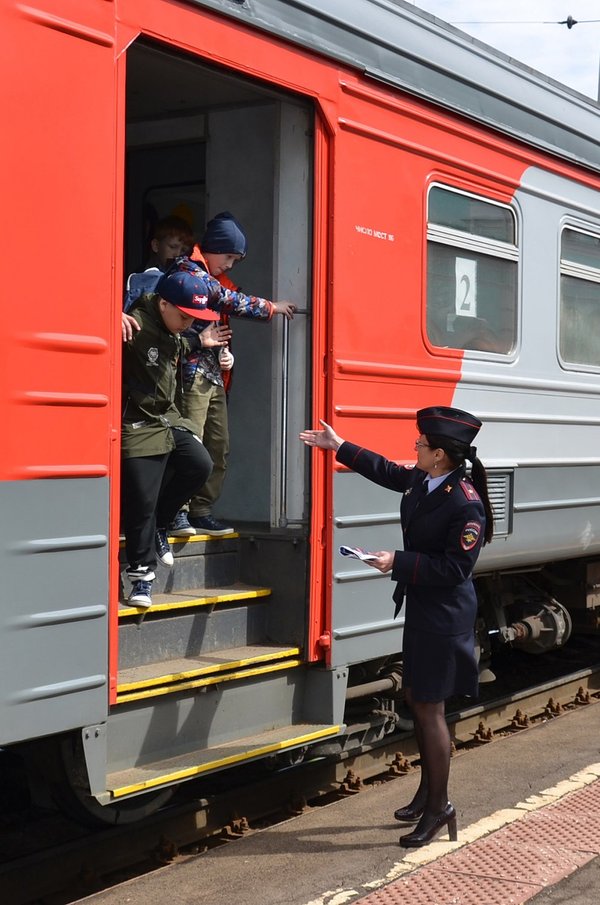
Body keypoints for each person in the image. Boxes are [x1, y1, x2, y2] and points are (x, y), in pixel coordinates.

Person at [299, 406, 494, 847]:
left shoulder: (464, 503)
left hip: (444, 617)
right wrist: (338, 446)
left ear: (439, 454)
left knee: (428, 706)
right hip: (424, 608)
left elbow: (456, 569)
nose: (415, 448)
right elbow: (387, 471)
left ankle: (440, 807)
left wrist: (397, 562)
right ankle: (428, 794)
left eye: (420, 444)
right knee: (417, 698)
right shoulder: (427, 480)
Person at [169, 212, 297, 537]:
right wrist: (271, 307)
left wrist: (224, 355)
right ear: (212, 248)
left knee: (218, 446)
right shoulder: (190, 272)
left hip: (212, 375)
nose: (229, 265)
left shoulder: (208, 275)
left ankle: (200, 510)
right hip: (190, 375)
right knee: (190, 444)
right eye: (228, 257)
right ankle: (176, 511)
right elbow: (226, 300)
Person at [121, 267, 220, 609]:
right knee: (142, 499)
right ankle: (141, 576)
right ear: (163, 304)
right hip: (137, 423)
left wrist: (199, 341)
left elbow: (175, 344)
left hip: (166, 419)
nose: (188, 323)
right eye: (184, 316)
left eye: (193, 318)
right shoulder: (135, 325)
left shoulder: (170, 329)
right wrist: (107, 317)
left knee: (200, 464)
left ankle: (162, 525)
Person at [121, 215, 194, 342]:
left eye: (183, 250)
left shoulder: (184, 278)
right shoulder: (143, 279)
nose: (177, 254)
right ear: (155, 245)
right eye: (173, 247)